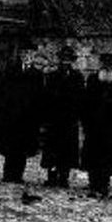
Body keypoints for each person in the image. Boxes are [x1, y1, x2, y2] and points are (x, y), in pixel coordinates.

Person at [40, 46, 84, 188]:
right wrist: (47, 118)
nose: (66, 62)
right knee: (53, 149)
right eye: (63, 59)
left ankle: (64, 177)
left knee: (67, 149)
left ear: (72, 61)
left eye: (68, 59)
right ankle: (51, 177)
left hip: (69, 120)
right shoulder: (52, 76)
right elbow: (46, 98)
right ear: (59, 60)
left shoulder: (77, 77)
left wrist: (77, 116)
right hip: (54, 119)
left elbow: (80, 98)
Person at [0, 53, 44, 184]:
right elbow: (5, 92)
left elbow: (39, 97)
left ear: (33, 56)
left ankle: (18, 174)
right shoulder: (12, 70)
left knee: (23, 148)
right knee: (10, 146)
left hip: (27, 118)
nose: (26, 56)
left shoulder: (37, 74)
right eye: (23, 53)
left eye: (29, 54)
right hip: (12, 116)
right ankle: (8, 174)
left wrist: (36, 117)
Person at [81, 52, 112, 198]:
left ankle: (104, 185)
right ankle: (93, 184)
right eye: (105, 65)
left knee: (107, 156)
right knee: (93, 155)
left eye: (110, 65)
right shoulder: (92, 80)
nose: (107, 68)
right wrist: (86, 123)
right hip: (93, 126)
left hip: (110, 128)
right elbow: (85, 103)